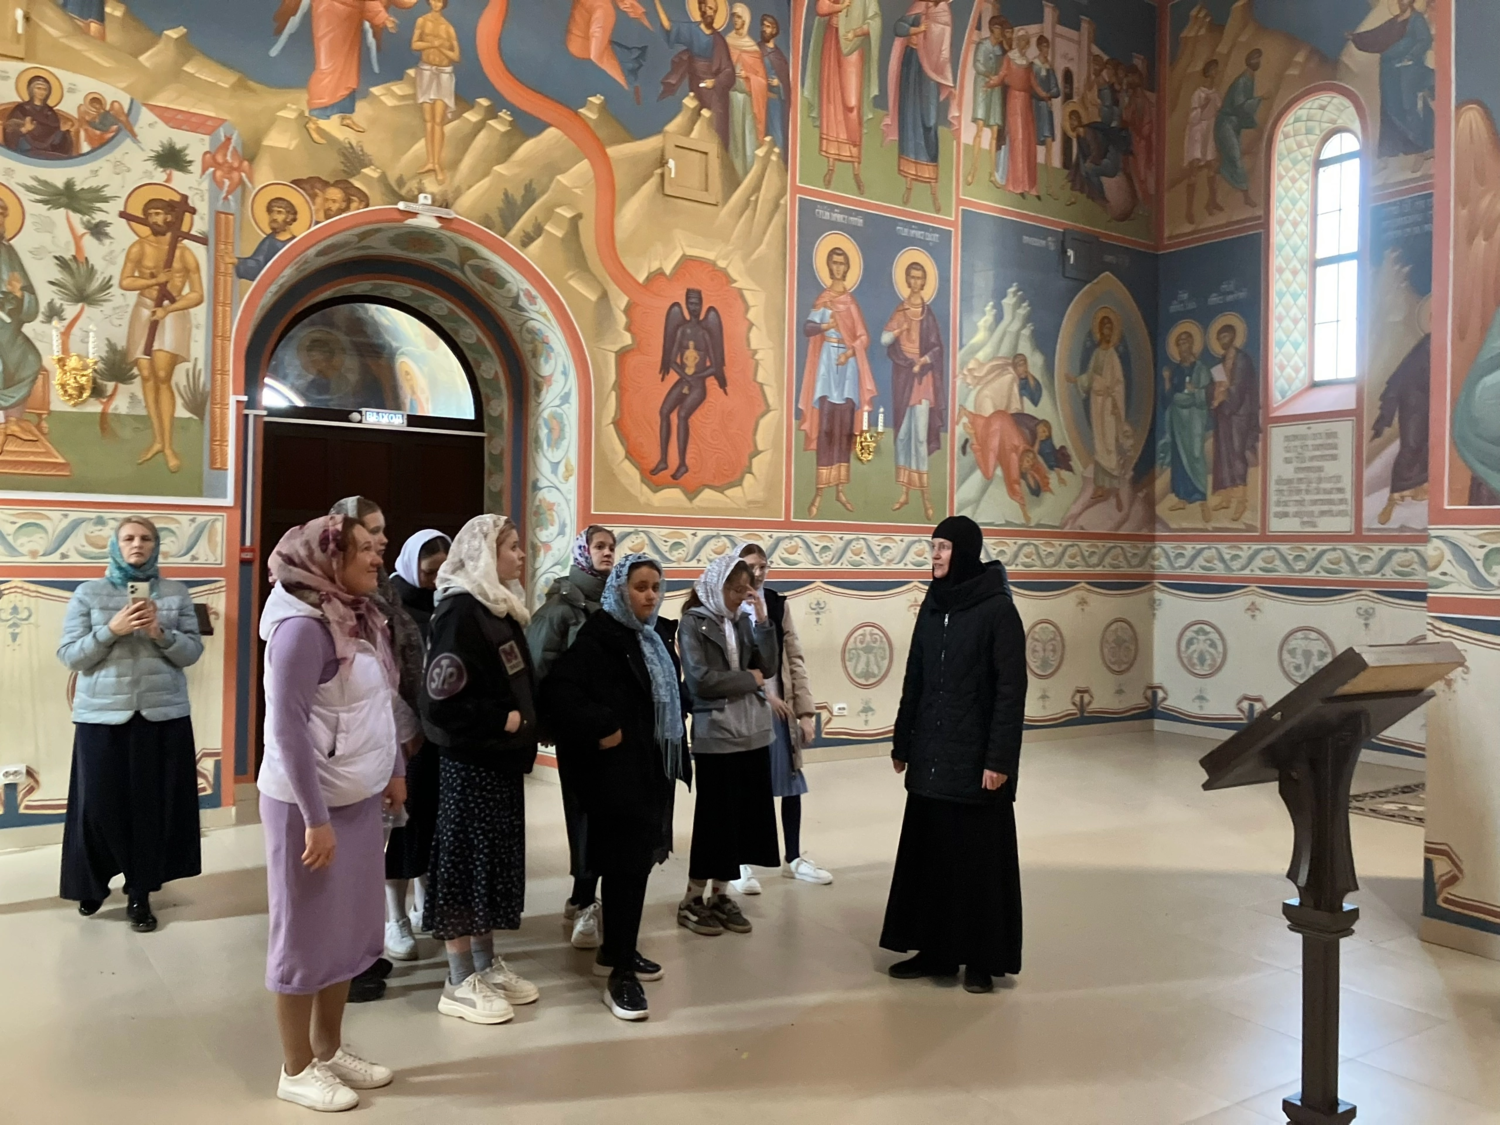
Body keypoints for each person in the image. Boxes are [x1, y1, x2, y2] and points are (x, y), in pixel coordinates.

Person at [258, 514, 408, 1110]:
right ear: (329, 559)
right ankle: (295, 1069)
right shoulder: (300, 630)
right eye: (365, 549)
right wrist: (316, 818)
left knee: (346, 931)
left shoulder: (358, 616)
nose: (378, 557)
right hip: (307, 808)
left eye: (377, 547)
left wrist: (394, 767)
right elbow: (287, 731)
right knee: (304, 936)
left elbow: (380, 702)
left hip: (355, 797)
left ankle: (328, 1049)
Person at [539, 554, 690, 1020]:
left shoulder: (649, 636)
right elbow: (559, 694)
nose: (649, 595)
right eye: (640, 587)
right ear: (620, 590)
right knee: (624, 869)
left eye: (655, 587)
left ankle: (616, 950)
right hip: (616, 778)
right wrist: (603, 726)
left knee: (635, 867)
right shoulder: (600, 635)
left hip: (646, 773)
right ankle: (620, 974)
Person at [881, 516, 1025, 995]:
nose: (935, 556)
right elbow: (915, 675)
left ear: (963, 552)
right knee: (933, 859)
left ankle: (982, 959)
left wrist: (999, 761)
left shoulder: (997, 609)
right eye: (933, 547)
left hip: (977, 762)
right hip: (932, 756)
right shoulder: (933, 603)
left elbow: (1010, 692)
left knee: (977, 864)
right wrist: (904, 741)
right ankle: (936, 951)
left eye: (943, 547)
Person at [420, 514, 542, 1025]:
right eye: (511, 546)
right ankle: (457, 979)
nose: (521, 555)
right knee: (464, 866)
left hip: (501, 761)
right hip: (471, 762)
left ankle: (486, 964)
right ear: (485, 555)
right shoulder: (459, 612)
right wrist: (501, 718)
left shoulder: (498, 606)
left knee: (489, 867)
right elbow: (441, 701)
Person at [57, 517, 203, 932]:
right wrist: (111, 630)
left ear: (156, 545)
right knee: (97, 808)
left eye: (146, 538)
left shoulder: (175, 593)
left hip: (163, 717)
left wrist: (159, 633)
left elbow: (191, 652)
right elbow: (71, 656)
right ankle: (92, 884)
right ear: (115, 545)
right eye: (128, 538)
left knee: (150, 810)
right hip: (102, 718)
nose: (137, 544)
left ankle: (140, 892)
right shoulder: (88, 593)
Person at [329, 497, 427, 985]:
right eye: (369, 534)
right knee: (348, 859)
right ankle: (348, 959)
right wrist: (401, 729)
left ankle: (362, 952)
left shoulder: (379, 589)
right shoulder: (327, 606)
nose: (381, 541)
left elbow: (396, 665)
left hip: (387, 734)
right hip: (352, 744)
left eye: (382, 532)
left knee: (372, 849)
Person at [676, 555, 780, 938]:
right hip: (716, 735)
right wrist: (749, 680)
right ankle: (691, 899)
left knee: (739, 821)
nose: (739, 597)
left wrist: (763, 621)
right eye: (734, 590)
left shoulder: (743, 620)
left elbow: (767, 668)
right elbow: (700, 681)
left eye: (744, 590)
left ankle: (720, 896)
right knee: (714, 822)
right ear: (716, 586)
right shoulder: (693, 623)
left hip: (752, 731)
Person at [528, 525, 617, 950]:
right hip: (579, 731)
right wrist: (550, 724)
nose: (607, 553)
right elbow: (539, 671)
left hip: (613, 729)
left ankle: (584, 896)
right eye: (599, 546)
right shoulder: (560, 607)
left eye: (612, 547)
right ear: (583, 551)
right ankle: (584, 900)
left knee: (606, 815)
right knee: (583, 815)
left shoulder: (615, 601)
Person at [730, 543, 831, 894]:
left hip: (781, 711)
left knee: (791, 782)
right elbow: (731, 665)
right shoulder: (729, 604)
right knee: (745, 788)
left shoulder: (776, 603)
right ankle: (738, 862)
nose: (758, 573)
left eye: (763, 566)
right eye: (751, 566)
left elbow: (794, 659)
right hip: (746, 711)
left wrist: (805, 713)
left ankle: (793, 858)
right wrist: (763, 695)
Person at [386, 528, 451, 941]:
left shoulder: (449, 602)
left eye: (444, 570)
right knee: (401, 825)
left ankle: (425, 902)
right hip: (402, 735)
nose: (436, 579)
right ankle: (394, 917)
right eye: (429, 571)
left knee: (432, 821)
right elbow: (387, 676)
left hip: (438, 732)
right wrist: (408, 729)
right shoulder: (390, 605)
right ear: (412, 567)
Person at [118, 195, 204, 474]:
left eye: (159, 214)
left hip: (172, 312)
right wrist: (156, 280)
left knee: (163, 375)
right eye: (150, 214)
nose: (155, 219)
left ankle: (168, 445)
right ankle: (156, 440)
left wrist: (168, 309)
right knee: (146, 374)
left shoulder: (184, 253)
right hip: (144, 309)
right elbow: (125, 281)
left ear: (170, 217)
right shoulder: (139, 247)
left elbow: (197, 294)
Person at [799, 241, 876, 517]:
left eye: (843, 263)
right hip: (827, 364)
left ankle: (840, 489)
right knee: (826, 428)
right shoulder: (825, 299)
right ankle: (820, 491)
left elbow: (863, 337)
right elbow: (808, 328)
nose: (839, 267)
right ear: (829, 266)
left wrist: (850, 353)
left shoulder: (850, 302)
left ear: (848, 267)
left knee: (844, 430)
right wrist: (827, 325)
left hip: (848, 366)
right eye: (835, 262)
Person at [883, 258, 947, 520]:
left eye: (920, 278)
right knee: (902, 435)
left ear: (924, 282)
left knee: (919, 437)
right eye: (912, 277)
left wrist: (923, 360)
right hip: (904, 377)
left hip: (923, 380)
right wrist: (898, 330)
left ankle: (926, 497)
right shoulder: (901, 310)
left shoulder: (927, 314)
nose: (916, 282)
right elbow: (885, 339)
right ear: (907, 280)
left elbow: (937, 348)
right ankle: (905, 493)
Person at [885, 0, 959, 213]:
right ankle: (908, 184)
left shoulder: (944, 14)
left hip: (930, 74)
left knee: (929, 120)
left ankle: (933, 188)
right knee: (908, 118)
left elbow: (943, 51)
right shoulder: (919, 7)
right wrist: (916, 29)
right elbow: (899, 27)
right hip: (911, 64)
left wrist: (945, 77)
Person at [804, 0, 882, 194]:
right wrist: (840, 7)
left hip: (853, 48)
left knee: (852, 104)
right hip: (831, 42)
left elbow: (875, 20)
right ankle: (830, 165)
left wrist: (856, 32)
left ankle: (856, 169)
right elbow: (821, 7)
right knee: (830, 100)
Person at [1348, 0, 1434, 163]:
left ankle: (1418, 145)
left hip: (1407, 69)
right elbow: (1376, 35)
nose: (1402, 2)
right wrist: (1357, 38)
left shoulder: (1416, 19)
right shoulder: (1394, 22)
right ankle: (1393, 148)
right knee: (1389, 106)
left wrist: (1411, 56)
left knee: (1407, 104)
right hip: (1389, 70)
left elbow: (1425, 39)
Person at [1063, 312, 1130, 510]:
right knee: (1099, 443)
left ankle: (1116, 490)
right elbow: (1090, 376)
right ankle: (1100, 486)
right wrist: (1076, 380)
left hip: (1108, 403)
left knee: (1109, 443)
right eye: (1104, 328)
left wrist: (1113, 396)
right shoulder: (1097, 353)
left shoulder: (1112, 355)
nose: (1107, 331)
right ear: (1099, 331)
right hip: (1096, 402)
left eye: (1110, 328)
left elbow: (1119, 383)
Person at [654, 0, 735, 151]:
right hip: (696, 83)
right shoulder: (692, 30)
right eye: (709, 8)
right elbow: (669, 26)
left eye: (714, 11)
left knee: (715, 126)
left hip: (715, 92)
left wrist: (715, 82)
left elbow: (729, 71)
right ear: (702, 7)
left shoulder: (719, 41)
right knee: (696, 121)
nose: (711, 13)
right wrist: (657, 3)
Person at [0, 193, 44, 453]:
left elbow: (27, 293)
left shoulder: (8, 251)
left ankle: (13, 422)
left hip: (8, 327)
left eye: (1, 215)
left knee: (29, 360)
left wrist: (20, 296)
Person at [1208, 320, 1261, 523]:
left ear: (1233, 336)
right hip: (1224, 413)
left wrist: (1225, 396)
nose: (1223, 340)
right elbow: (1216, 385)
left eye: (1225, 336)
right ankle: (1227, 497)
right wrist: (1214, 392)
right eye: (1220, 338)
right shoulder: (1221, 362)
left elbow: (1239, 386)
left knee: (1237, 453)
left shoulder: (1242, 359)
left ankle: (1241, 500)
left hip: (1239, 413)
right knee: (1224, 455)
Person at [1161, 325, 1213, 522]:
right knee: (1180, 459)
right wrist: (1167, 380)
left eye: (1185, 342)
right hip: (1178, 420)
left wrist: (1193, 392)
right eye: (1179, 343)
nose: (1182, 346)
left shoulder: (1201, 369)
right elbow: (1168, 399)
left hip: (1194, 419)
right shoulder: (1175, 371)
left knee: (1196, 455)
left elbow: (1207, 395)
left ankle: (1202, 500)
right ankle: (1182, 497)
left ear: (1192, 344)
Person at [411, 0, 460, 184]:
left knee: (438, 121)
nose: (436, 3)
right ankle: (430, 161)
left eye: (440, 1)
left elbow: (456, 56)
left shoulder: (448, 28)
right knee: (428, 121)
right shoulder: (422, 21)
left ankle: (438, 164)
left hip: (443, 73)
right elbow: (414, 44)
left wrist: (440, 47)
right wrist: (431, 43)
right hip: (425, 71)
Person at [990, 28, 1040, 197]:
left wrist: (1045, 95)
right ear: (1018, 42)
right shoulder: (1009, 58)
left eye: (1027, 41)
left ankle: (1028, 184)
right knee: (1017, 139)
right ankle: (1016, 184)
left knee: (1028, 141)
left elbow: (1033, 83)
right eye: (1022, 40)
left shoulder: (1027, 62)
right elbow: (1002, 75)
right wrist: (990, 84)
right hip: (1014, 100)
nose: (1024, 44)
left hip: (1026, 103)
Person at [1214, 50, 1264, 210]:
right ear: (1250, 61)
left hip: (1233, 125)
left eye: (1259, 59)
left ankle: (1213, 197)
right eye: (1256, 59)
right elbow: (1240, 106)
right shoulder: (1242, 81)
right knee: (1234, 157)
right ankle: (1246, 196)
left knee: (1226, 159)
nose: (1258, 62)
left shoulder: (1250, 79)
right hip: (1225, 125)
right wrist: (1260, 99)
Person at [725, 3, 770, 180]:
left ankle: (749, 179)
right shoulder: (727, 42)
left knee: (749, 140)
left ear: (745, 20)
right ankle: (735, 177)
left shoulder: (752, 48)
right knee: (735, 140)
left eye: (738, 17)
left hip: (748, 100)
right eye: (733, 17)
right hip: (731, 98)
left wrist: (748, 76)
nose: (735, 20)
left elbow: (762, 81)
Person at [966, 16, 1009, 187]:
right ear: (993, 28)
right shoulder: (983, 44)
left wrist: (998, 78)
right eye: (999, 28)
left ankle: (992, 173)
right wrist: (991, 76)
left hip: (995, 90)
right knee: (979, 129)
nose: (1001, 32)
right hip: (983, 87)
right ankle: (973, 169)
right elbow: (978, 65)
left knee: (995, 133)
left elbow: (1003, 69)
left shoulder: (1000, 50)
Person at [1183, 59, 1222, 224]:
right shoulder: (1198, 94)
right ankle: (1189, 211)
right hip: (1198, 133)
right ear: (1208, 72)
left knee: (1212, 165)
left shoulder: (1215, 93)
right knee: (1194, 169)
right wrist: (1203, 107)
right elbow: (1192, 118)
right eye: (1214, 69)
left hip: (1209, 131)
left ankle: (1211, 201)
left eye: (1216, 69)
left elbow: (1219, 108)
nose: (1216, 72)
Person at [3, 74, 76, 158]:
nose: (41, 92)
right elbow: (9, 129)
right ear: (31, 89)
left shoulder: (50, 111)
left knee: (65, 135)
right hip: (27, 146)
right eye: (38, 88)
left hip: (48, 147)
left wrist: (62, 130)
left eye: (45, 89)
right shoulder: (21, 109)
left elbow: (53, 131)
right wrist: (25, 129)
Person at [236, 196, 302, 282]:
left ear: (289, 217)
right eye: (271, 212)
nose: (274, 217)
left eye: (279, 212)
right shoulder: (269, 241)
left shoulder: (296, 244)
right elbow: (257, 265)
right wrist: (237, 261)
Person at [1032, 35, 1061, 198]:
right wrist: (1042, 95)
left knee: (1049, 147)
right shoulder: (1034, 66)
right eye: (1044, 47)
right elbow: (1031, 87)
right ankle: (1034, 183)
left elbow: (1057, 90)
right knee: (1033, 146)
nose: (1046, 50)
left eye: (1047, 47)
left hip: (1047, 111)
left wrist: (1048, 94)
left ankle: (1050, 185)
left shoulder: (1049, 68)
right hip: (1036, 109)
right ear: (1039, 47)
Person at [759, 14, 791, 156]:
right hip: (759, 101)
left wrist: (780, 84)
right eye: (763, 26)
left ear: (774, 30)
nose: (764, 29)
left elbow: (787, 86)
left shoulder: (779, 57)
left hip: (774, 104)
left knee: (776, 139)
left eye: (767, 26)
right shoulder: (757, 50)